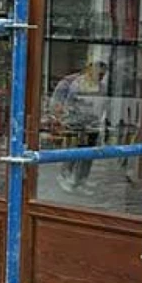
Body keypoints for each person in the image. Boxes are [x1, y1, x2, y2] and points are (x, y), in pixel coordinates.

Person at [47, 46, 111, 195]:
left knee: (88, 154)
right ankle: (64, 176)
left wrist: (100, 121)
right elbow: (63, 103)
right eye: (98, 73)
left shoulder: (101, 87)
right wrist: (63, 119)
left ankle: (81, 180)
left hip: (92, 124)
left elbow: (103, 105)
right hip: (75, 123)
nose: (100, 76)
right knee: (73, 152)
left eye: (103, 74)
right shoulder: (75, 84)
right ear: (90, 69)